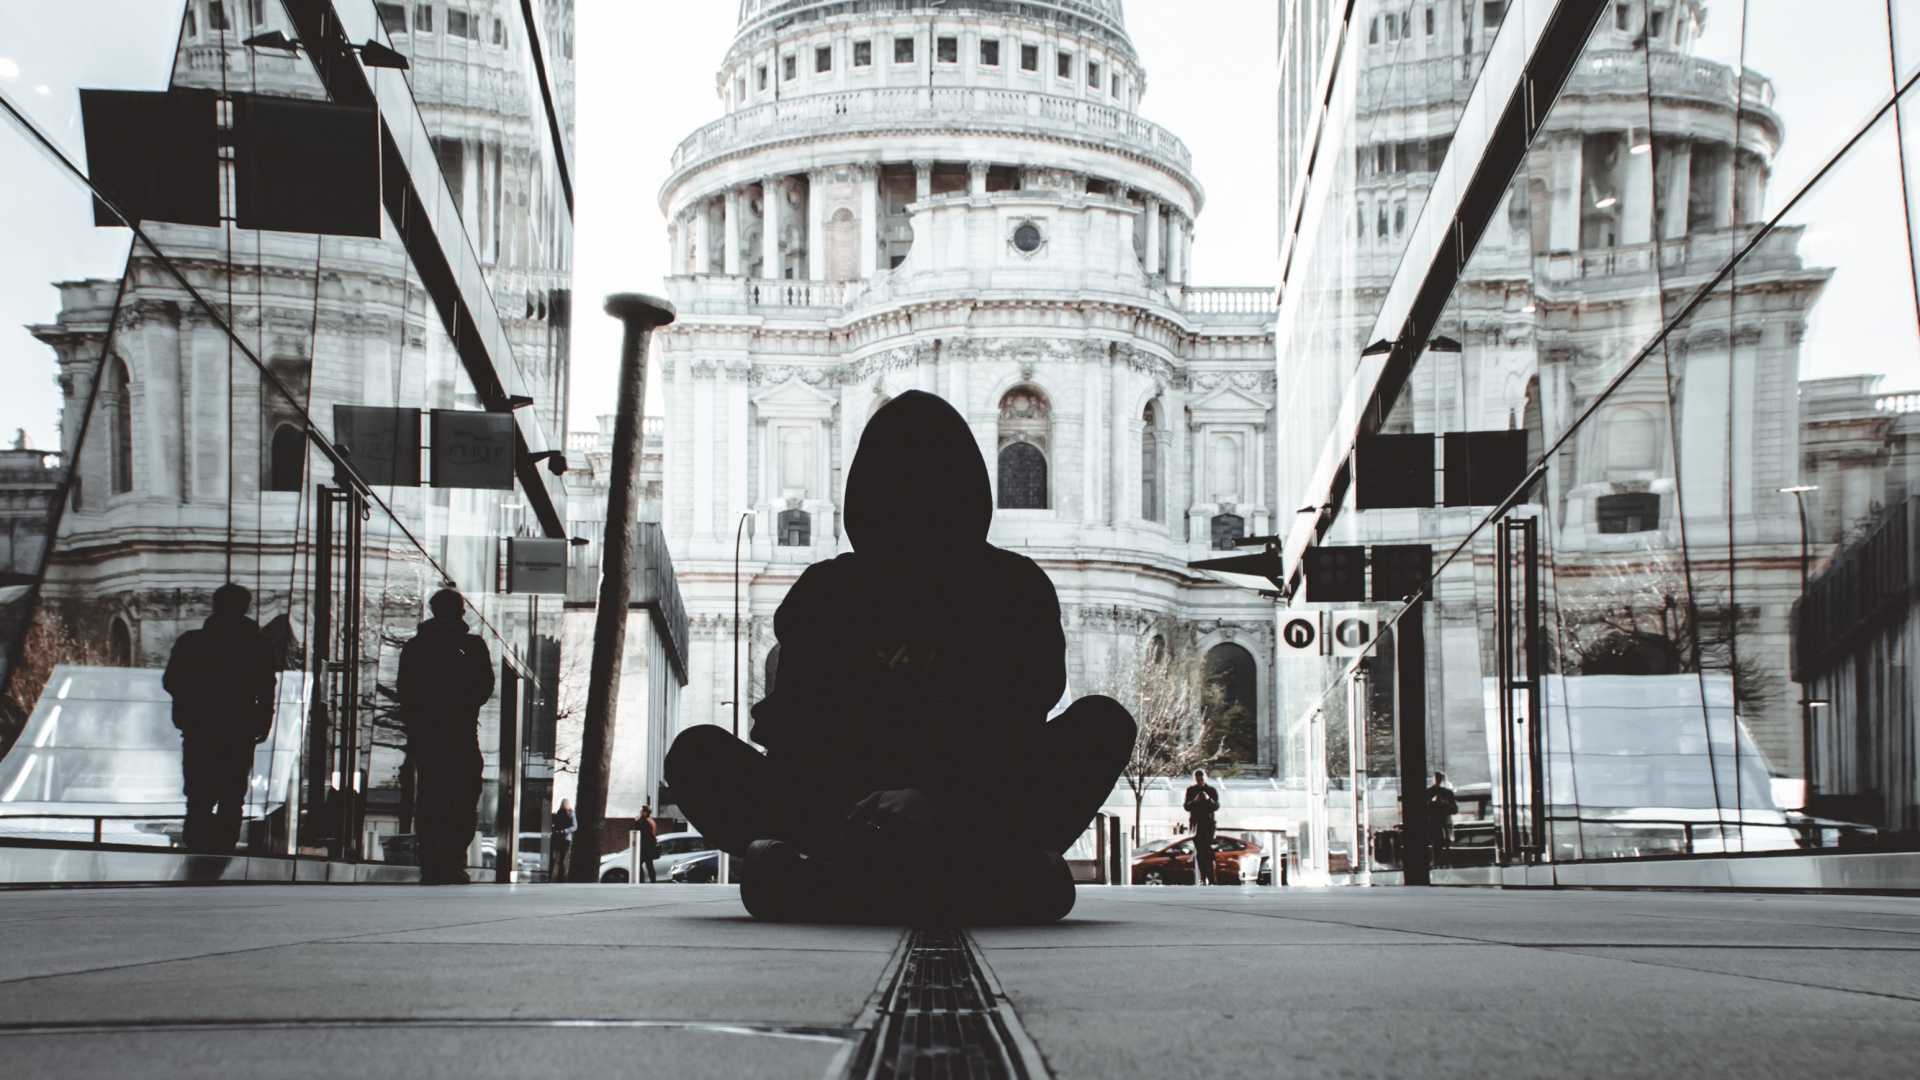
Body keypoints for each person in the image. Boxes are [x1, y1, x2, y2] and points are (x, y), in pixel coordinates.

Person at [665, 390, 1136, 925]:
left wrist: (935, 798)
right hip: (912, 822)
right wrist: (888, 802)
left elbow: (1016, 717)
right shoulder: (1009, 584)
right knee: (695, 752)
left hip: (921, 818)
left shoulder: (845, 588)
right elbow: (800, 728)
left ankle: (836, 887)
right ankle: (982, 886)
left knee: (1103, 723)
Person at [163, 583, 278, 854]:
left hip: (200, 729)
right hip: (239, 730)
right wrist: (263, 721)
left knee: (199, 795)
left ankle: (198, 847)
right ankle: (221, 850)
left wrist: (191, 707)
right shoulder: (258, 645)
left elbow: (172, 681)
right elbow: (267, 688)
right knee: (231, 795)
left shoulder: (192, 642)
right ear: (246, 608)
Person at [396, 589, 495, 885]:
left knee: (430, 798)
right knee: (463, 798)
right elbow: (484, 687)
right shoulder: (471, 645)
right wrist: (461, 706)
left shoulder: (415, 647)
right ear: (460, 612)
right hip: (460, 734)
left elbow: (405, 690)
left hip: (427, 737)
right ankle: (452, 860)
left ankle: (431, 862)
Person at [1183, 768, 1221, 885]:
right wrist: (1195, 800)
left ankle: (1207, 875)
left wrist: (1208, 799)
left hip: (1208, 825)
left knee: (1207, 851)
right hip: (1196, 825)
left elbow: (1216, 806)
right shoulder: (1191, 790)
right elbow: (1186, 806)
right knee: (1200, 851)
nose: (1200, 782)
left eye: (1201, 779)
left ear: (1205, 778)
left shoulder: (1211, 790)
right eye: (1197, 779)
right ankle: (1202, 876)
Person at [1426, 771, 1459, 858]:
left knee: (1440, 850)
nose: (1438, 780)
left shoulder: (1446, 793)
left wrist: (1443, 804)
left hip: (1437, 826)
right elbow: (1454, 810)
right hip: (1438, 826)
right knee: (1440, 850)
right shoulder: (1446, 793)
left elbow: (1454, 810)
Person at [549, 798, 575, 882]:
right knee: (553, 858)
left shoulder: (571, 814)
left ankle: (560, 880)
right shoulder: (557, 814)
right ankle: (550, 878)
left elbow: (574, 826)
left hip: (565, 839)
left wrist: (564, 831)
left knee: (562, 861)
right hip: (558, 838)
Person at [637, 805, 660, 882]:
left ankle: (641, 881)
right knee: (649, 866)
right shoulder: (651, 821)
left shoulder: (645, 822)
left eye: (641, 812)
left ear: (645, 813)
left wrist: (636, 821)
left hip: (646, 848)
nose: (640, 813)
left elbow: (639, 832)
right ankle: (653, 881)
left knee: (639, 865)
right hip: (650, 847)